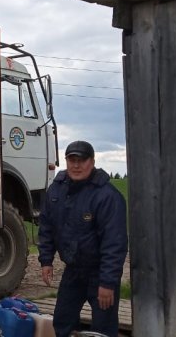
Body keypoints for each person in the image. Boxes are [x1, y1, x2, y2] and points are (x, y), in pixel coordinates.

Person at [38, 140, 127, 337]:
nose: (76, 165)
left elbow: (115, 244)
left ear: (92, 162)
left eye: (82, 160)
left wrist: (107, 283)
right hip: (74, 271)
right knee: (62, 321)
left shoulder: (107, 197)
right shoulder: (56, 190)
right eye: (72, 160)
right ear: (66, 161)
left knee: (103, 329)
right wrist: (46, 260)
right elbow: (46, 227)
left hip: (99, 275)